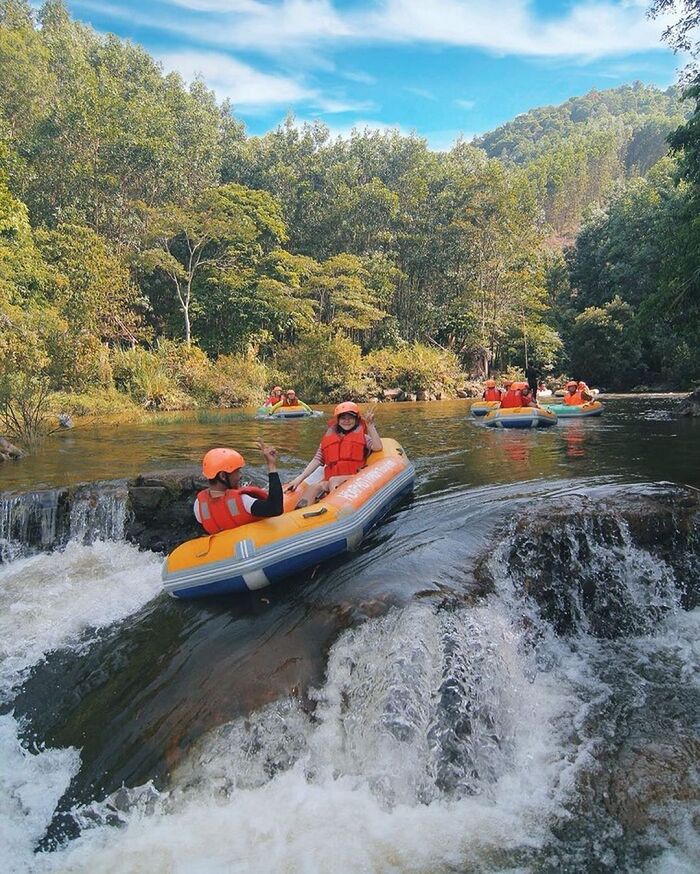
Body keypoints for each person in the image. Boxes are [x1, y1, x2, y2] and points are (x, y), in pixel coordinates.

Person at [285, 402, 383, 507]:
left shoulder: (364, 437)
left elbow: (377, 447)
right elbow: (317, 460)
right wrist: (298, 480)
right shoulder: (328, 440)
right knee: (314, 487)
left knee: (333, 480)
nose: (347, 421)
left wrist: (370, 425)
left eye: (350, 418)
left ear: (356, 420)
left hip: (355, 478)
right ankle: (301, 513)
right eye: (343, 418)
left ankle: (332, 509)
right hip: (333, 481)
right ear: (338, 420)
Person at [194, 440, 283, 534]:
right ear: (223, 476)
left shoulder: (198, 505)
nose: (240, 476)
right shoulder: (244, 501)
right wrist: (271, 465)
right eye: (237, 472)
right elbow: (276, 509)